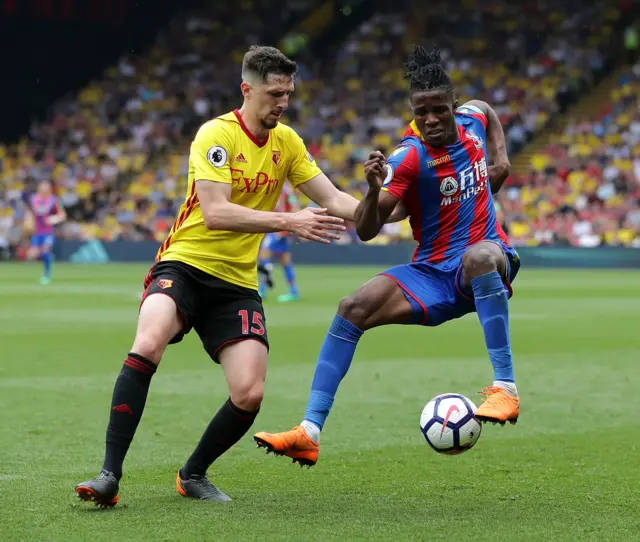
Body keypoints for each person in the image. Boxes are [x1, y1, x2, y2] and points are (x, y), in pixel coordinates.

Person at [74, 45, 408, 507]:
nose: (283, 102)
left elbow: (335, 201)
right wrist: (290, 221)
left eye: (288, 93)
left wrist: (390, 207)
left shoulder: (287, 142)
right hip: (184, 264)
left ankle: (192, 474)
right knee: (148, 342)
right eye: (275, 93)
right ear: (247, 89)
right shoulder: (216, 135)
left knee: (249, 393)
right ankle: (110, 474)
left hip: (236, 283)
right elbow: (214, 212)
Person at [253, 45, 520, 468]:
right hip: (431, 272)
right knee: (351, 307)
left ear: (453, 106)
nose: (430, 120)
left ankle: (505, 387)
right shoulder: (409, 157)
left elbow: (486, 108)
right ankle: (309, 431)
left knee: (480, 256)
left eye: (438, 110)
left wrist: (500, 158)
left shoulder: (473, 119)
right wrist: (375, 189)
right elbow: (366, 229)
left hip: (485, 259)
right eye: (420, 112)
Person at [258, 183, 301, 302]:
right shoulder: (284, 189)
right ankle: (294, 291)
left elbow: (292, 207)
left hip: (279, 229)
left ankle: (262, 290)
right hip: (281, 228)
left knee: (264, 257)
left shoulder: (283, 190)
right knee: (285, 260)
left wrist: (289, 226)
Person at [25, 180, 66, 285]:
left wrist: (54, 218)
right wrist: (28, 220)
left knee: (45, 252)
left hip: (48, 232)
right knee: (32, 255)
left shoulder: (54, 200)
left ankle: (46, 275)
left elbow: (62, 215)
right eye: (42, 186)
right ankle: (47, 258)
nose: (44, 189)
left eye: (46, 187)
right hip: (37, 232)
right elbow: (30, 212)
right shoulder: (33, 199)